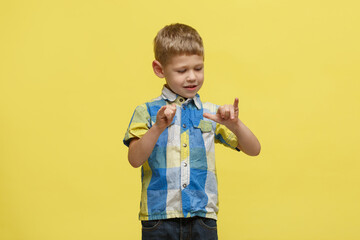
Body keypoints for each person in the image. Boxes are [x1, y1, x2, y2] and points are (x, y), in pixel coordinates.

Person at [123, 23, 261, 240]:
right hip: (159, 217)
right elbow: (134, 159)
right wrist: (158, 127)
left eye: (198, 68)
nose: (192, 77)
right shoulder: (147, 112)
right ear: (160, 70)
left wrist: (235, 125)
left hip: (202, 217)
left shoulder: (211, 113)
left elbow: (254, 149)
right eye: (182, 70)